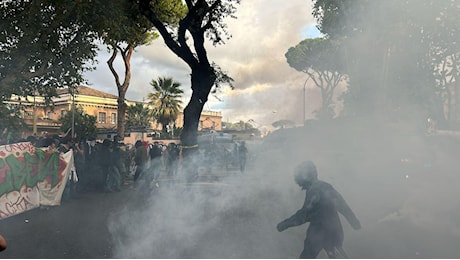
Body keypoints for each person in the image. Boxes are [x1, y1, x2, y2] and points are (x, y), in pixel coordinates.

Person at [276, 160, 361, 258]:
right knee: (336, 255)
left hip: (319, 233)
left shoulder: (314, 190)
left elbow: (304, 214)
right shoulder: (326, 186)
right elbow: (343, 206)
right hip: (335, 232)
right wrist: (355, 223)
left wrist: (284, 224)